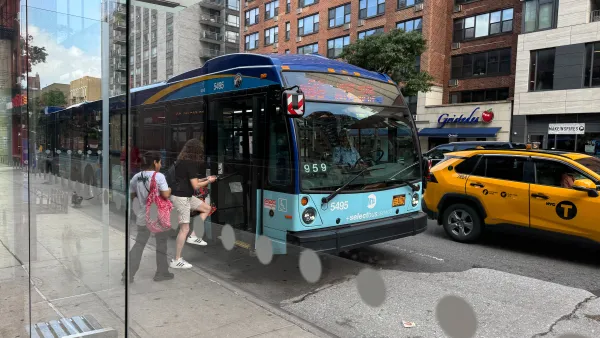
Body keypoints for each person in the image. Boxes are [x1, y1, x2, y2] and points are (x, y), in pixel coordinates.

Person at [124, 151, 173, 283]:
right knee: (161, 244)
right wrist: (170, 190)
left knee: (139, 244)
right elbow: (165, 195)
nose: (160, 165)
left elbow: (132, 195)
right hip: (157, 217)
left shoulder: (136, 177)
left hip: (142, 216)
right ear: (155, 162)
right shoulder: (159, 176)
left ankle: (128, 274)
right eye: (160, 162)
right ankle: (161, 273)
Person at [170, 139, 216, 269]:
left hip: (184, 195)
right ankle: (176, 260)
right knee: (184, 229)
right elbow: (195, 185)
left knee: (207, 208)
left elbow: (191, 180)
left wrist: (206, 178)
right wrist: (209, 182)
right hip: (182, 197)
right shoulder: (190, 163)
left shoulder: (181, 161)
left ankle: (194, 235)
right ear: (196, 151)